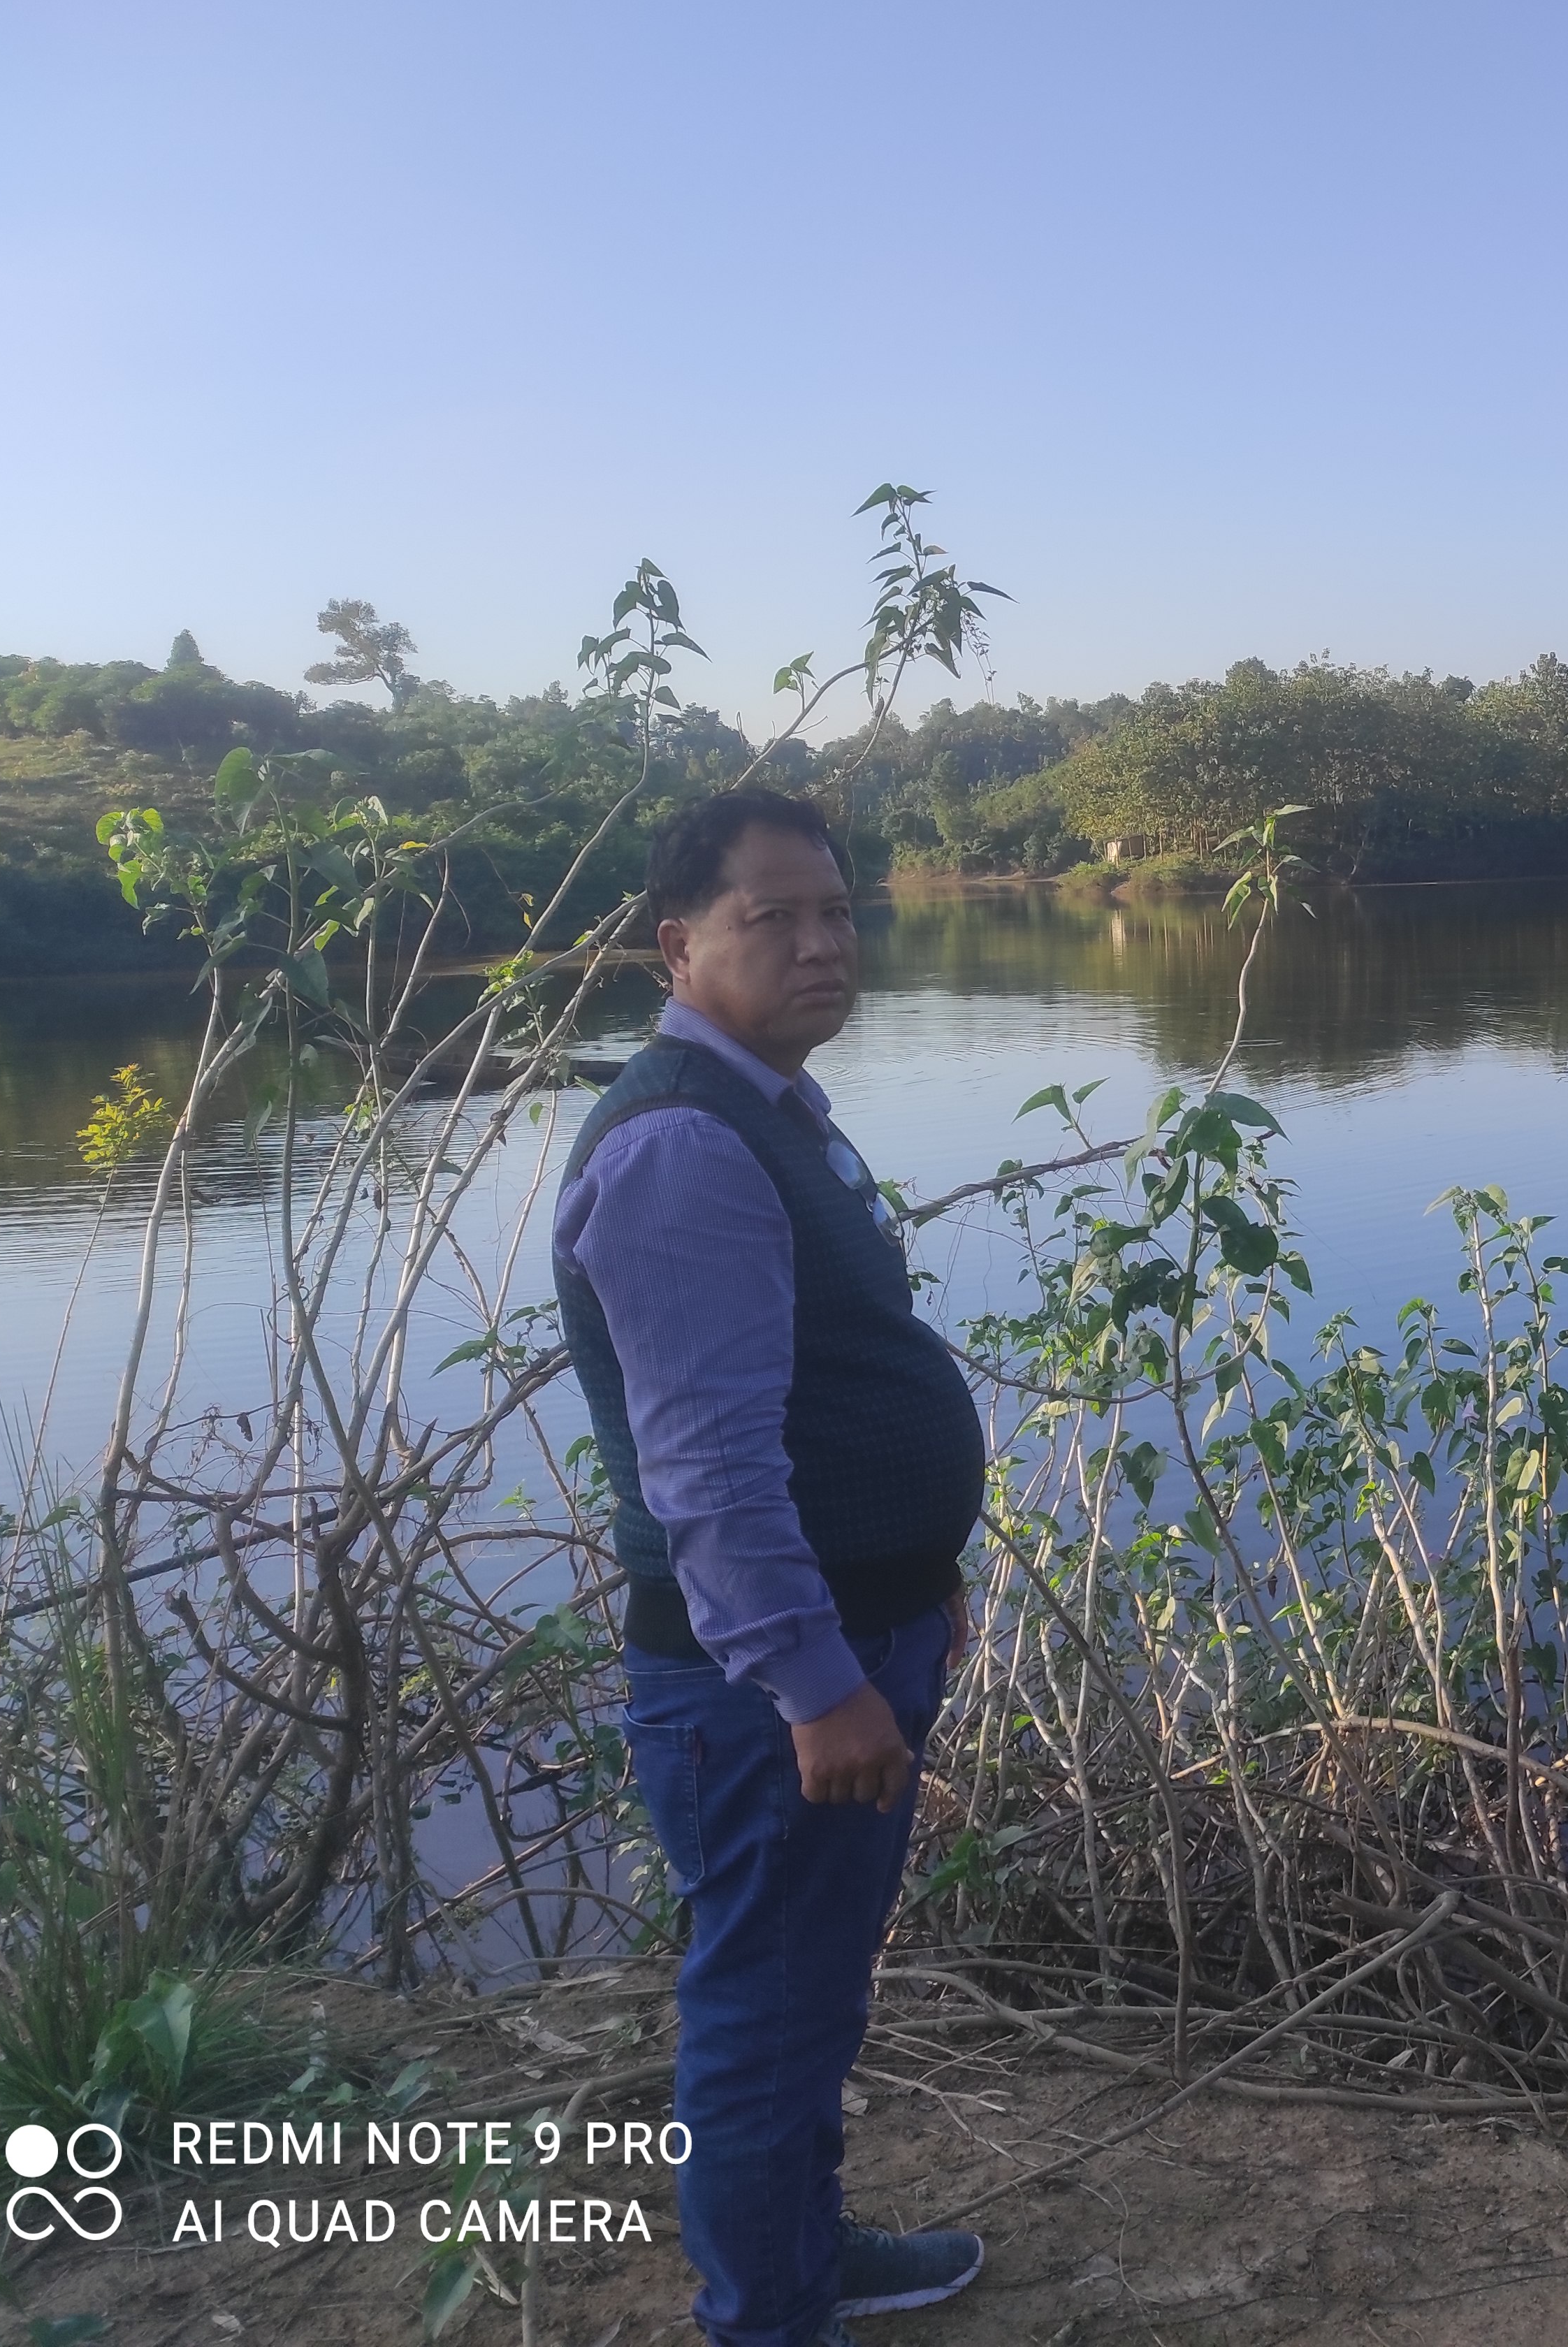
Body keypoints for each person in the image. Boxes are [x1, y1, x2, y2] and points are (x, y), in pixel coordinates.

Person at [556, 789, 990, 2347]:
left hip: (849, 1631)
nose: (822, 945)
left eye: (838, 912)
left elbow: (820, 1381)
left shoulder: (767, 1106)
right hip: (765, 1687)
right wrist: (815, 1679)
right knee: (765, 2009)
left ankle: (802, 2253)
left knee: (808, 1990)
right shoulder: (684, 1143)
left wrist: (916, 1571)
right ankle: (771, 2316)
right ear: (679, 946)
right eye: (775, 918)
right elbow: (712, 1473)